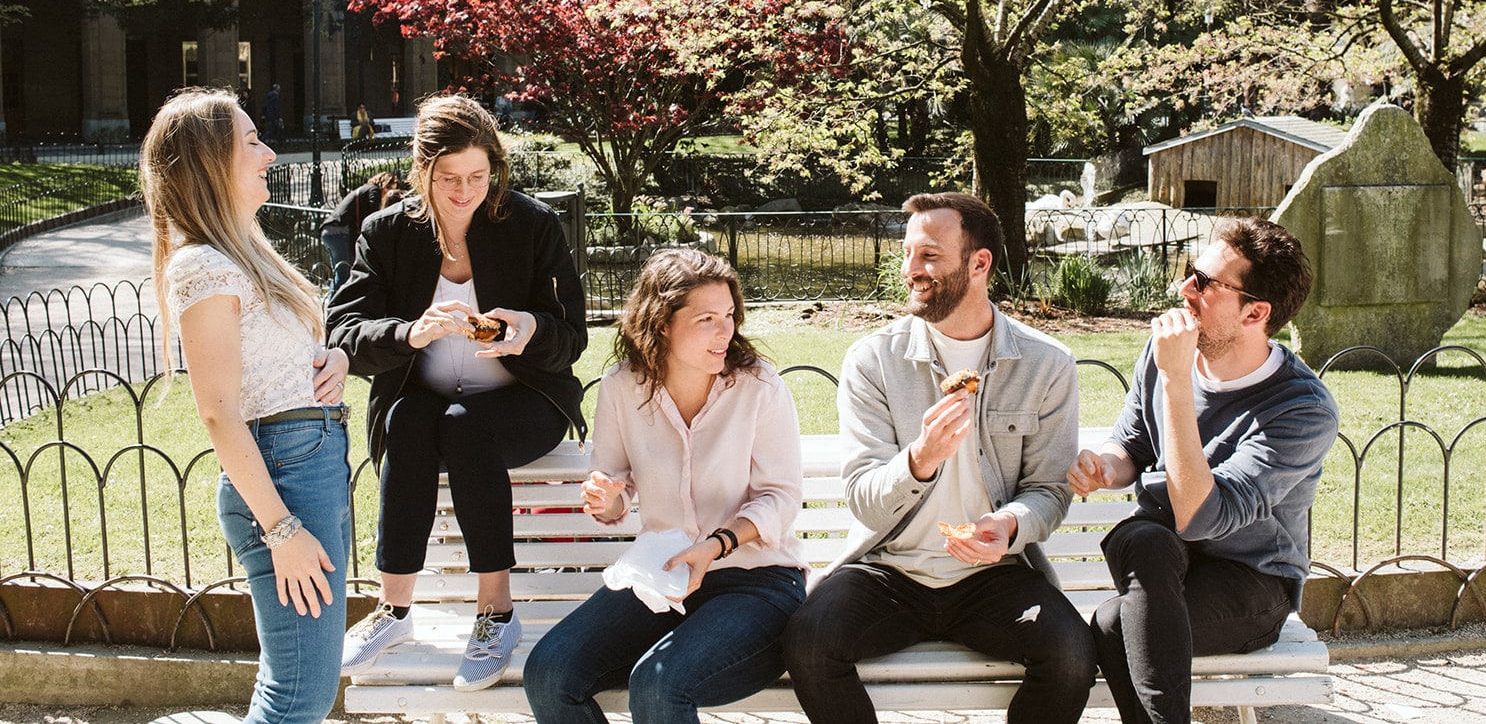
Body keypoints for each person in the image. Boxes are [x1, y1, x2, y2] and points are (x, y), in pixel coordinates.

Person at [782, 192, 1096, 724]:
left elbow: (1049, 490)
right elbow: (863, 499)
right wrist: (920, 459)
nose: (910, 271)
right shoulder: (873, 360)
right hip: (889, 571)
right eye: (907, 254)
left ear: (979, 264)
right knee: (809, 645)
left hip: (994, 576)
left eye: (928, 256)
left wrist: (1009, 525)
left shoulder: (1047, 365)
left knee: (1071, 657)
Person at [328, 93, 588, 692]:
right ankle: (392, 611)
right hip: (425, 403)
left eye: (478, 176)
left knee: (465, 423)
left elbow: (570, 334)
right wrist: (408, 331)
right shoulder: (385, 232)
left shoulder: (531, 224)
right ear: (422, 173)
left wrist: (528, 331)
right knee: (413, 421)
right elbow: (343, 331)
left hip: (524, 402)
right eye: (449, 179)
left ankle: (497, 614)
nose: (465, 191)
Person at [1067, 218, 1340, 724]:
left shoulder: (1301, 409)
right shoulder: (1165, 355)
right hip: (1164, 559)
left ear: (1255, 312)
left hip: (1252, 581)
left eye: (1206, 283)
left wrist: (1176, 380)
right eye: (1191, 271)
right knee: (1141, 538)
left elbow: (1203, 516)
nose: (1183, 288)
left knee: (1112, 625)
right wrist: (1105, 467)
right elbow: (1133, 442)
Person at [523, 248, 807, 723]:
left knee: (657, 684)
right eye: (706, 320)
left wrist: (716, 546)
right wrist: (607, 500)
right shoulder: (621, 387)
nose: (725, 332)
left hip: (757, 582)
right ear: (662, 324)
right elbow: (614, 490)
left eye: (730, 316)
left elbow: (781, 496)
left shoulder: (758, 386)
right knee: (550, 675)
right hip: (662, 576)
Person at [140, 87, 352, 724]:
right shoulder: (201, 265)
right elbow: (218, 412)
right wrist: (282, 530)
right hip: (284, 483)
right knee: (299, 698)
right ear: (209, 164)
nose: (269, 152)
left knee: (296, 687)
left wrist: (331, 359)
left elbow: (276, 357)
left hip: (308, 465)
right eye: (252, 142)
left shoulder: (240, 250)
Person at [319, 171, 401, 293]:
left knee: (341, 270)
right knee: (344, 272)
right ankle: (334, 307)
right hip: (339, 231)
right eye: (388, 189)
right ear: (383, 184)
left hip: (329, 230)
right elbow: (375, 214)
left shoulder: (363, 189)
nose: (387, 194)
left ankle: (331, 304)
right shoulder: (373, 190)